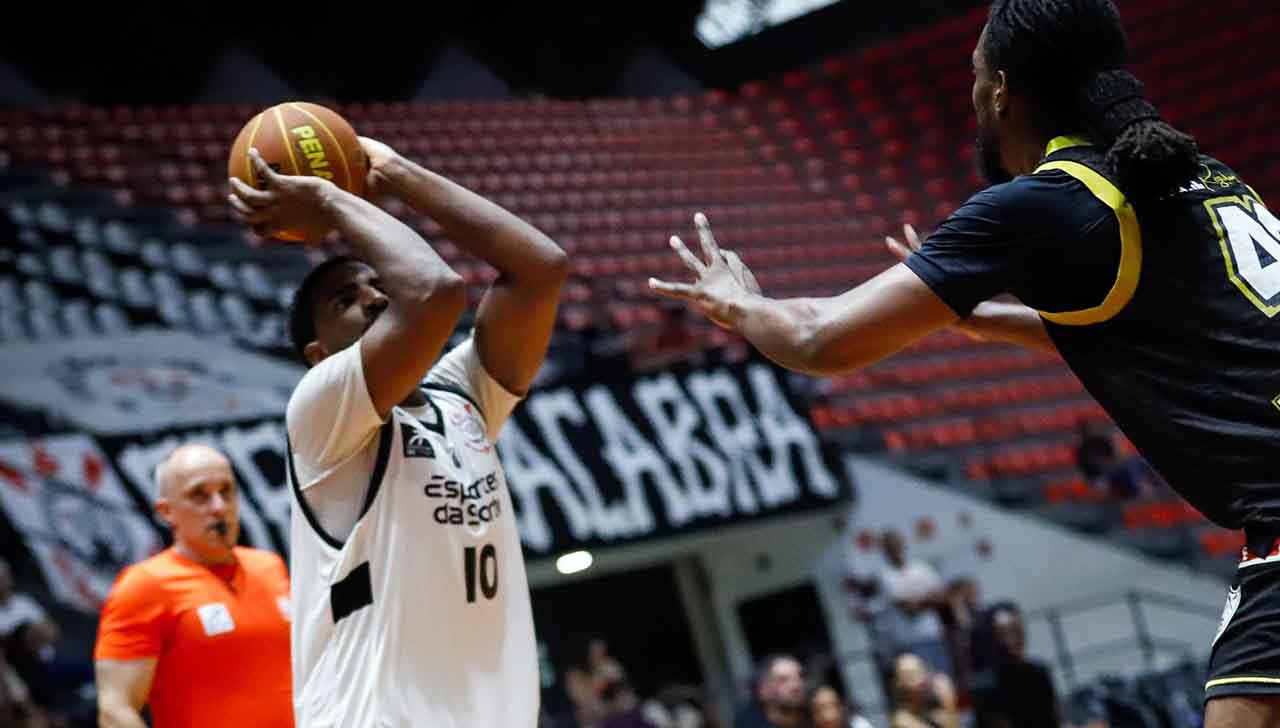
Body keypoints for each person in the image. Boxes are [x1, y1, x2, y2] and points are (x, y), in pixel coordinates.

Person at [650, 1, 1278, 725]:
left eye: (975, 74)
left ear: (1003, 90)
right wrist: (988, 323)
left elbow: (820, 338)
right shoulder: (1194, 171)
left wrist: (735, 302)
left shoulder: (1043, 204)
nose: (973, 92)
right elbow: (1159, 329)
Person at [229, 132, 566, 727]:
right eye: (345, 299)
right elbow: (434, 292)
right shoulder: (320, 412)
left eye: (377, 284)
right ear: (316, 355)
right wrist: (331, 199)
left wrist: (396, 172)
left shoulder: (460, 397)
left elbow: (540, 269)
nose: (375, 297)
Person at [93, 443, 292, 728]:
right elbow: (115, 711)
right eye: (199, 495)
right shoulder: (145, 585)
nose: (218, 507)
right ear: (166, 512)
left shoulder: (269, 566)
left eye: (226, 491)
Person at [870, 530, 952, 679]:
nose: (895, 547)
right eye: (890, 545)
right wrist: (928, 598)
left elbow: (943, 596)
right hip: (909, 641)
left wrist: (919, 601)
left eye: (897, 543)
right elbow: (909, 610)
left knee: (945, 682)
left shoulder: (921, 567)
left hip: (934, 634)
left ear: (903, 543)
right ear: (884, 550)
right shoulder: (884, 576)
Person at [970, 602, 1060, 728]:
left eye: (1016, 631)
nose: (1010, 641)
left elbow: (1054, 718)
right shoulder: (984, 686)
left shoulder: (1040, 672)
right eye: (1002, 633)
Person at [734, 654, 808, 728]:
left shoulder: (814, 718)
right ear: (763, 690)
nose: (796, 685)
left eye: (800, 676)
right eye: (783, 680)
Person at [890, 654, 958, 728]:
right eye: (909, 675)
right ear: (899, 683)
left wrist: (948, 704)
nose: (918, 678)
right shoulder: (902, 718)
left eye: (919, 670)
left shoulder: (938, 695)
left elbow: (954, 723)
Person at [811, 684, 875, 728]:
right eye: (819, 710)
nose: (827, 716)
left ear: (839, 707)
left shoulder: (857, 724)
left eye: (829, 706)